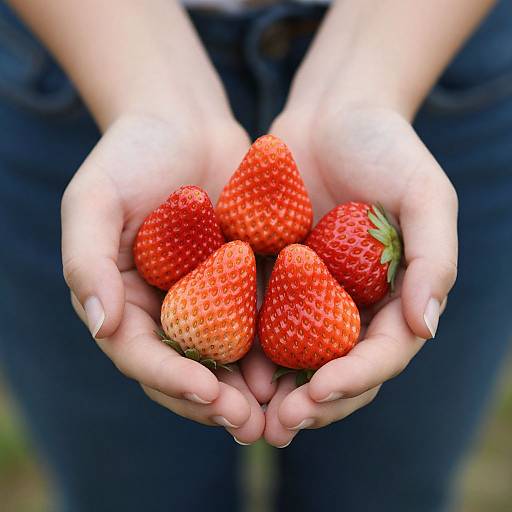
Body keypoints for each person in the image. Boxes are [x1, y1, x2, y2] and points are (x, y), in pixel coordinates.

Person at [0, 0, 511, 510]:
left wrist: (362, 91)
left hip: (430, 46)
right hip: (85, 51)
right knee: (131, 494)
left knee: (384, 494)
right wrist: (150, 94)